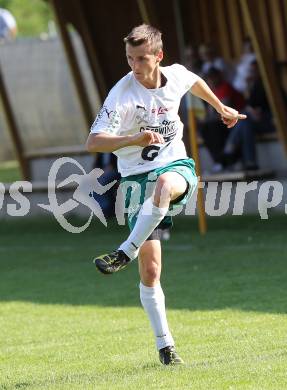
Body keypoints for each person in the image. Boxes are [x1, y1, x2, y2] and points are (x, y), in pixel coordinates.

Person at [86, 24, 245, 365]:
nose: (134, 65)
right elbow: (94, 142)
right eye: (129, 58)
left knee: (164, 186)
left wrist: (221, 108)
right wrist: (133, 139)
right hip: (134, 178)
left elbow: (195, 82)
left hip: (175, 167)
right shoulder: (122, 95)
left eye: (141, 58)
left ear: (159, 56)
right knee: (152, 271)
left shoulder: (175, 75)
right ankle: (166, 347)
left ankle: (123, 251)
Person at [223, 60, 275, 171]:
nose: (253, 72)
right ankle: (250, 162)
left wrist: (259, 112)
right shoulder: (254, 85)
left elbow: (274, 106)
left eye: (255, 70)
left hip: (269, 120)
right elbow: (249, 105)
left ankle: (230, 146)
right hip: (254, 120)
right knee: (246, 125)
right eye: (252, 70)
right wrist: (248, 88)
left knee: (244, 120)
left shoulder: (270, 84)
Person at [199, 67, 245, 173]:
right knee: (205, 129)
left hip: (239, 120)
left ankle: (227, 161)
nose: (211, 80)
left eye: (213, 77)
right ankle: (219, 162)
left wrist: (209, 119)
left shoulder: (225, 87)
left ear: (219, 77)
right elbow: (210, 113)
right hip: (224, 122)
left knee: (212, 127)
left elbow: (225, 111)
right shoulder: (212, 91)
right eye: (209, 78)